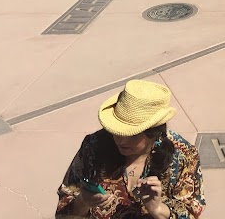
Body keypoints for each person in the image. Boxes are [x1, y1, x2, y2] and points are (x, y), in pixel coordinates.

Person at [55, 80, 206, 219]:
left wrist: (158, 209)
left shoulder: (183, 155)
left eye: (131, 135)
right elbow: (64, 209)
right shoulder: (93, 147)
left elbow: (191, 211)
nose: (120, 140)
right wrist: (82, 202)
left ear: (153, 133)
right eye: (117, 131)